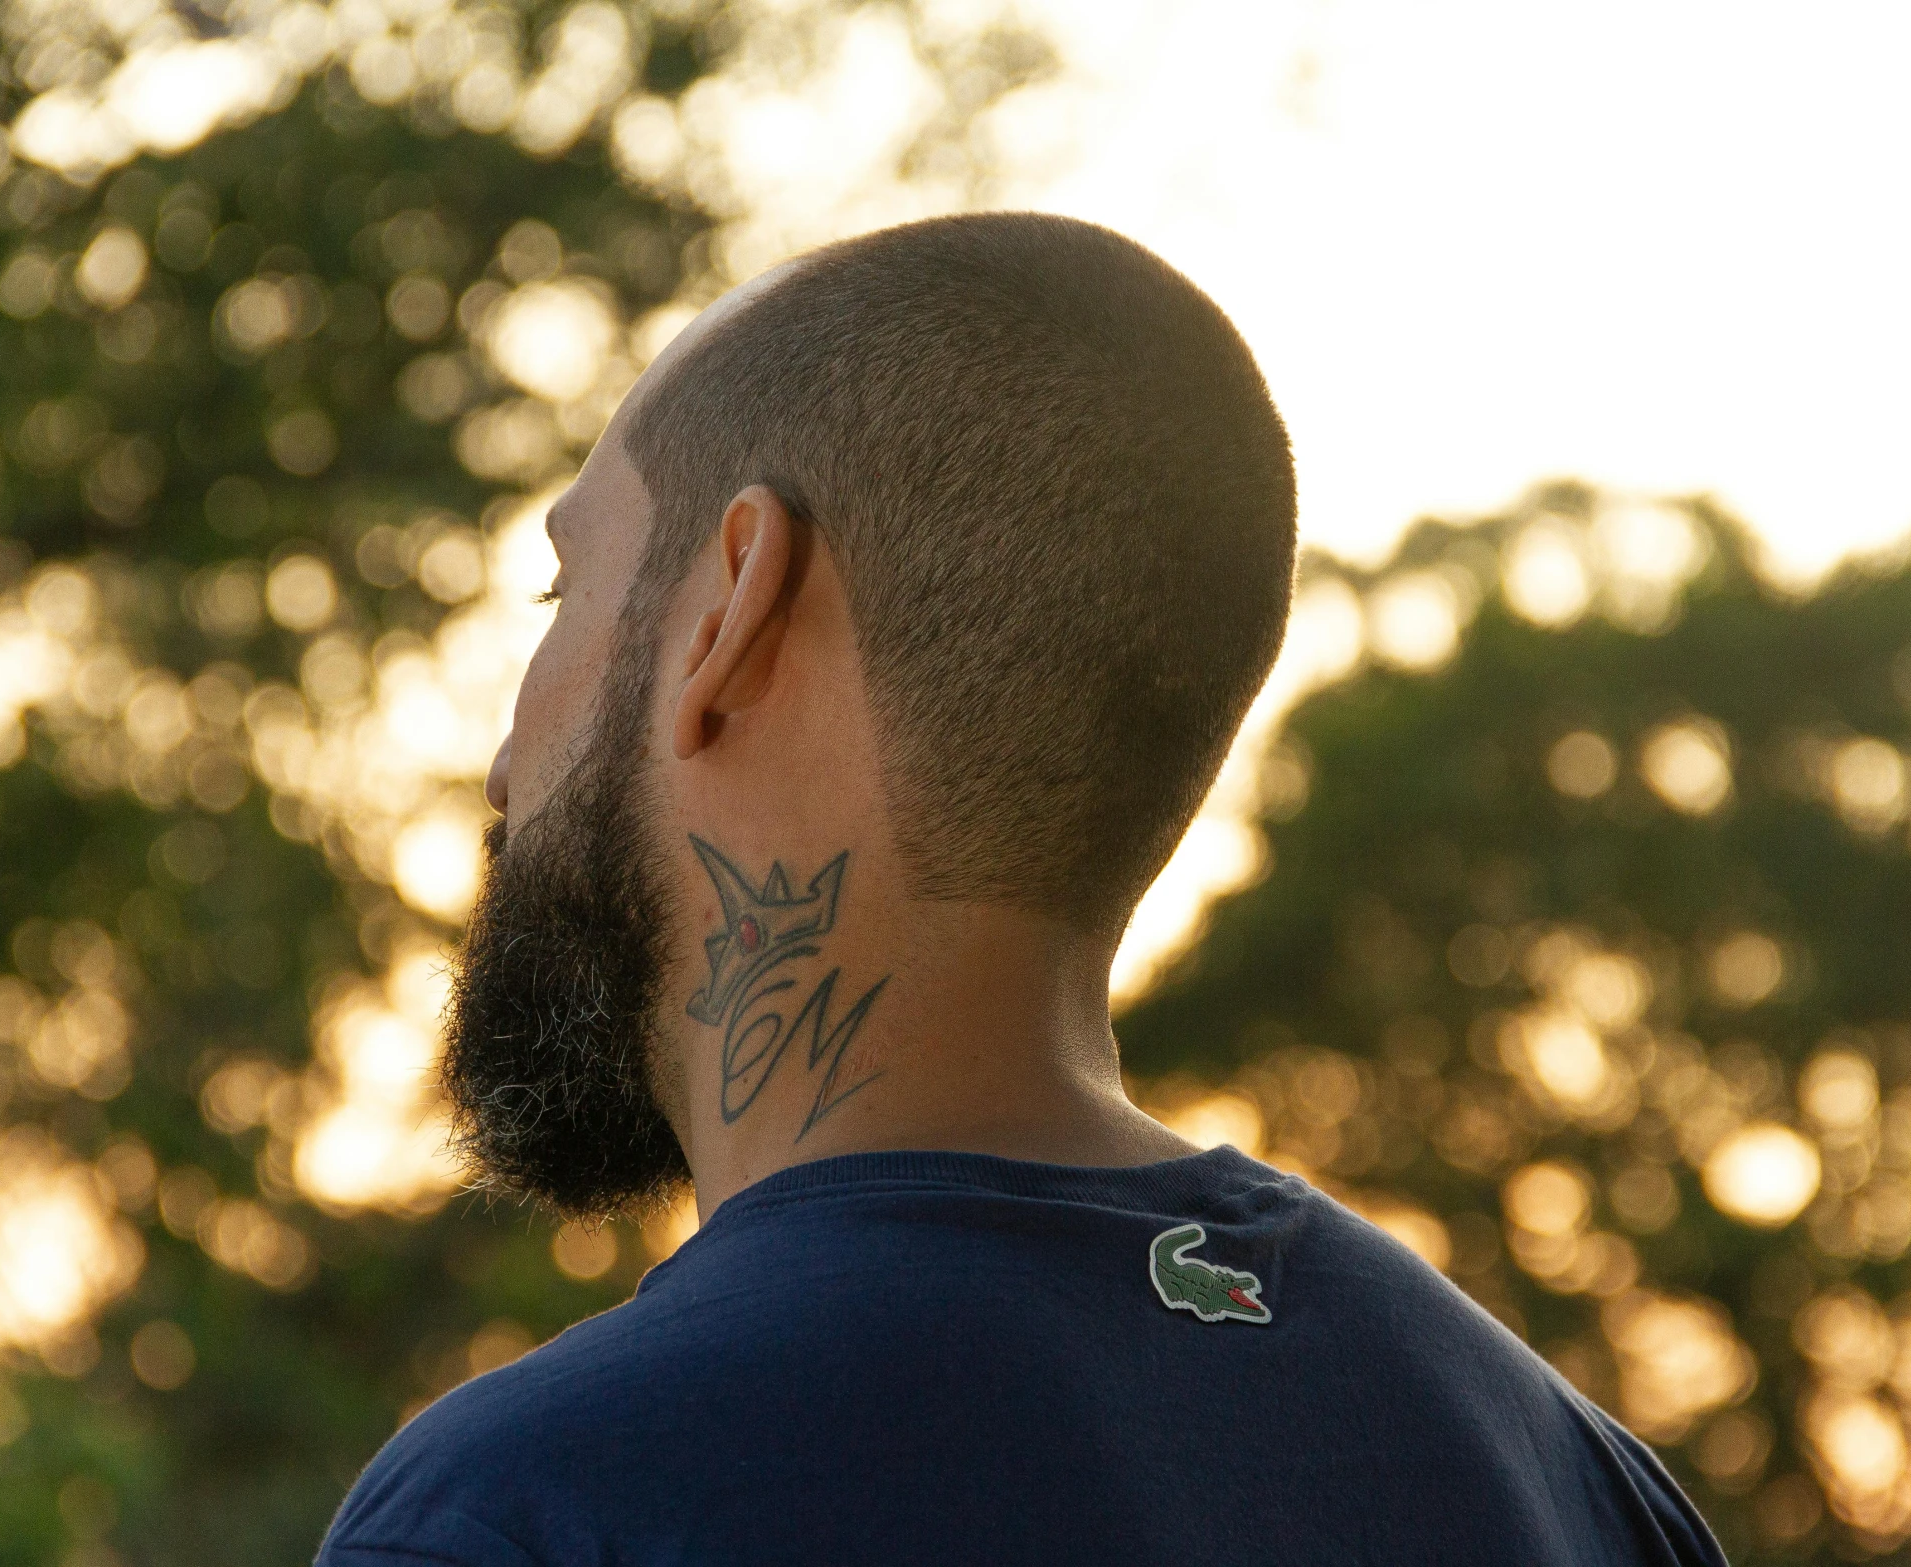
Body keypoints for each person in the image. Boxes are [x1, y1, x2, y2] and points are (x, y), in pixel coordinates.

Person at [318, 212, 1727, 1567]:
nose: (503, 759)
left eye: (559, 597)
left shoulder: (534, 1510)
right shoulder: (1578, 1487)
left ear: (729, 610)